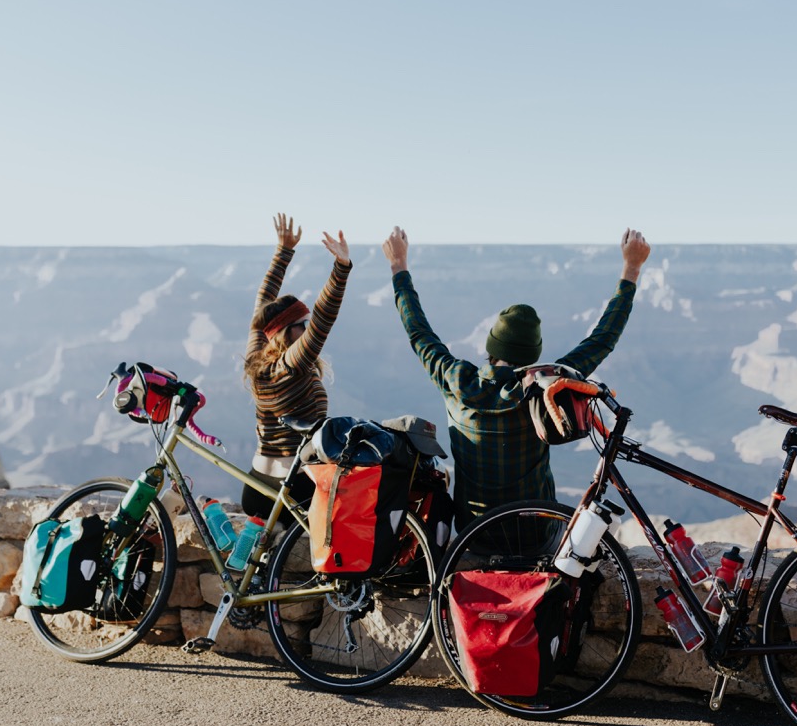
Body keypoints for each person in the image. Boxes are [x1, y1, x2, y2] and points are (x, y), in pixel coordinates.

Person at [381, 225, 651, 527]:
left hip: (475, 534)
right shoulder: (547, 387)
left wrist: (398, 266)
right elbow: (602, 340)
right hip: (536, 537)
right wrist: (631, 269)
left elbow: (418, 331)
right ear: (533, 355)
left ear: (491, 345)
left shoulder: (454, 378)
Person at [241, 213, 351, 522]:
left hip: (255, 485)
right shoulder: (293, 365)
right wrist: (341, 269)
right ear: (286, 332)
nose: (307, 328)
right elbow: (323, 320)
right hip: (295, 487)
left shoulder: (256, 359)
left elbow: (262, 303)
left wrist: (284, 251)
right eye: (301, 325)